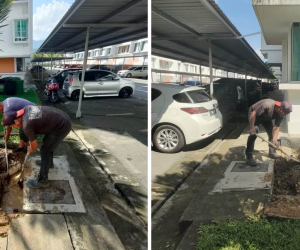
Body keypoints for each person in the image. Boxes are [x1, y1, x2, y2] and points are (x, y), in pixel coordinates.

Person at [6, 105, 72, 188]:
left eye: (13, 126)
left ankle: (43, 181)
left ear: (16, 121)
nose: (14, 128)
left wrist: (31, 148)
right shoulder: (24, 111)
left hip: (62, 126)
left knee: (45, 151)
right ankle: (49, 163)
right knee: (47, 144)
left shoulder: (26, 124)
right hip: (61, 118)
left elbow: (35, 145)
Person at [245, 99, 292, 167]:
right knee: (254, 132)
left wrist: (274, 140)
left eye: (286, 114)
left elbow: (276, 127)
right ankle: (249, 156)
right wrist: (251, 127)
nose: (284, 115)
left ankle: (272, 152)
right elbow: (254, 113)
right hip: (255, 115)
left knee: (271, 132)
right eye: (284, 113)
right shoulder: (267, 105)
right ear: (280, 108)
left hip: (266, 117)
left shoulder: (281, 114)